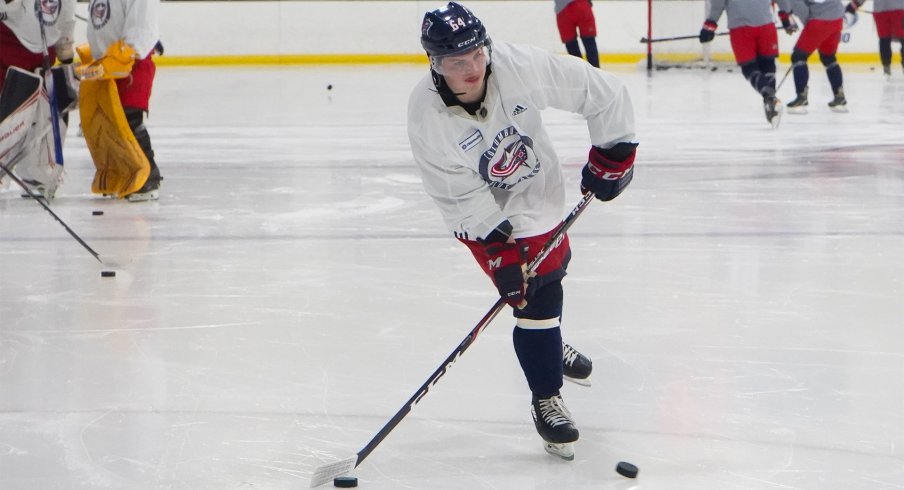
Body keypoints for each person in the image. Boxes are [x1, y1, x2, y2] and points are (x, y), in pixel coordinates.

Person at [407, 2, 637, 461]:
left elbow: (604, 92)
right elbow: (455, 193)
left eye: (476, 54)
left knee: (554, 270)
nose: (472, 68)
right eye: (456, 61)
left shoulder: (517, 64)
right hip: (479, 211)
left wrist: (614, 154)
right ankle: (545, 397)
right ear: (435, 64)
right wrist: (497, 248)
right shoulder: (425, 115)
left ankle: (547, 342)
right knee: (535, 296)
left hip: (536, 190)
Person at [82, 0, 162, 201]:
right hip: (105, 64)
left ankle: (147, 177)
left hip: (131, 65)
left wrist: (128, 51)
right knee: (109, 123)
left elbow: (142, 28)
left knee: (128, 119)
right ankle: (122, 174)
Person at [0, 0, 76, 195]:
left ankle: (39, 170)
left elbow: (66, 17)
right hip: (7, 45)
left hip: (43, 54)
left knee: (43, 112)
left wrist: (66, 54)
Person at [698, 0, 793, 127]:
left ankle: (770, 99)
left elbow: (717, 3)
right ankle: (771, 105)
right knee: (768, 65)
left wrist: (710, 25)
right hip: (766, 24)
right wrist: (786, 17)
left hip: (741, 27)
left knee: (749, 67)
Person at [783, 0, 849, 113]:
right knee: (828, 57)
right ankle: (839, 96)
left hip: (820, 19)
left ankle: (801, 97)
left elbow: (799, 7)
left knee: (798, 56)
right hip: (837, 18)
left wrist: (811, 28)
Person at [846, 0, 904, 76]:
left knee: (884, 39)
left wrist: (854, 5)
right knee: (900, 38)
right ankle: (887, 66)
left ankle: (886, 66)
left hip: (881, 10)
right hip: (899, 9)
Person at [554, 0, 599, 67]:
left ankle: (580, 72)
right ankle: (595, 72)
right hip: (581, 5)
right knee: (589, 42)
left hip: (562, 10)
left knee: (571, 46)